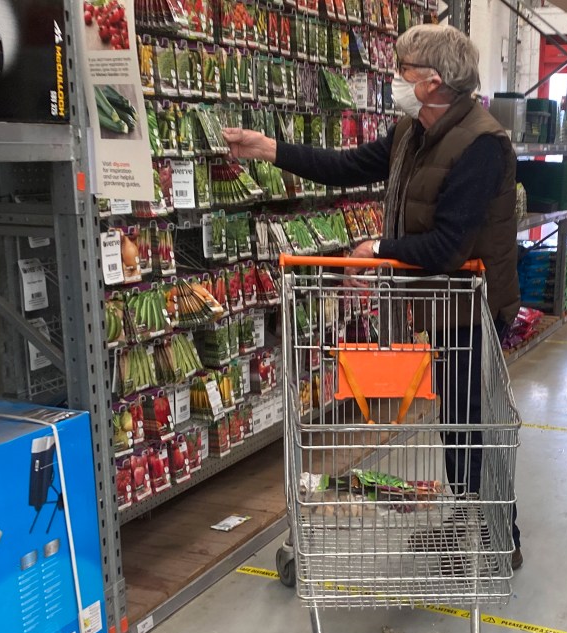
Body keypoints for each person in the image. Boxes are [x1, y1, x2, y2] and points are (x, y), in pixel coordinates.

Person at [223, 24, 523, 569]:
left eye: (404, 70)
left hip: (472, 306)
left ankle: (497, 533)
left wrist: (378, 249)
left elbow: (449, 246)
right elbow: (346, 166)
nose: (396, 80)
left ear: (433, 83)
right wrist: (270, 149)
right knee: (458, 423)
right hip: (438, 302)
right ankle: (473, 522)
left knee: (471, 423)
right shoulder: (413, 133)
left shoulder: (481, 145)